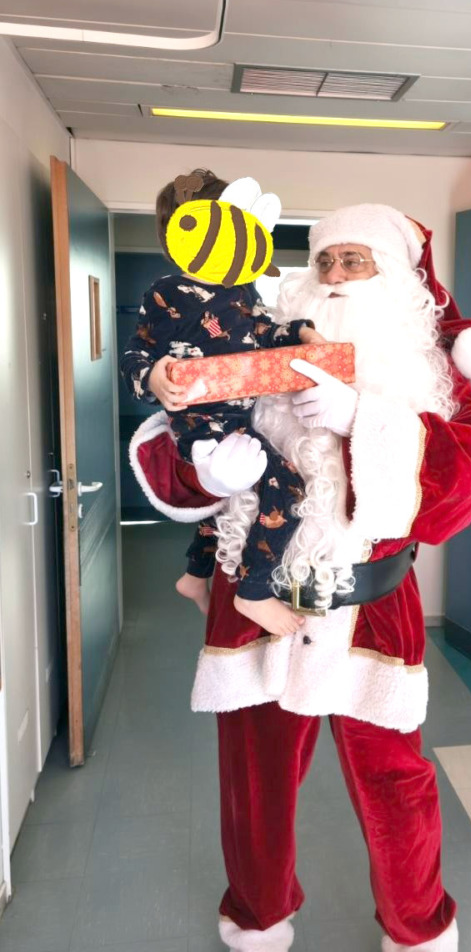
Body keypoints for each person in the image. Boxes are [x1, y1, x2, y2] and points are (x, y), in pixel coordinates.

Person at [130, 203, 471, 951]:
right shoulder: (256, 338)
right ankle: (258, 917)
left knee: (396, 786)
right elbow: (170, 454)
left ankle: (417, 927)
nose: (334, 275)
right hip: (255, 601)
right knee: (255, 785)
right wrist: (205, 468)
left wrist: (363, 418)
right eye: (325, 260)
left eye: (354, 260)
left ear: (393, 276)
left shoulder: (430, 370)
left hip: (375, 607)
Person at [121, 168, 323, 635]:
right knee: (286, 488)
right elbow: (136, 352)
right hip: (200, 422)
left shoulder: (240, 290)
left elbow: (262, 332)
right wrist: (153, 378)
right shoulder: (166, 292)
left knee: (233, 503)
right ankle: (253, 592)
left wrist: (300, 332)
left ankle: (194, 576)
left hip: (240, 416)